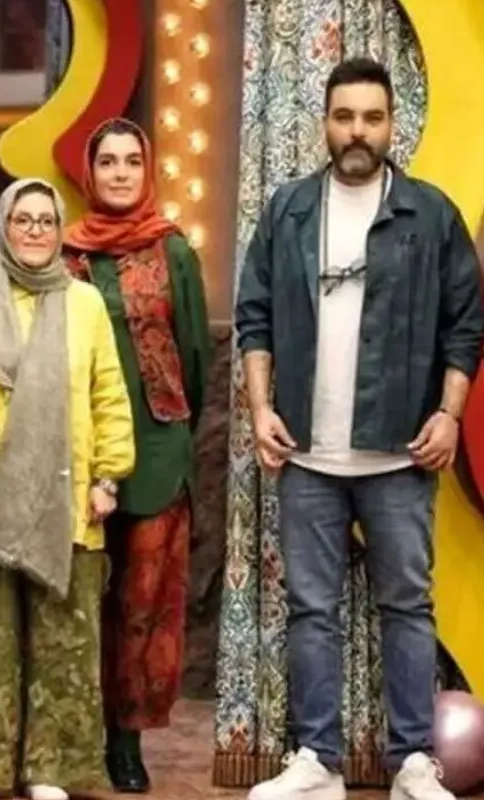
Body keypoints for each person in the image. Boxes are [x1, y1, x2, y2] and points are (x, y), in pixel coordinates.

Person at [237, 58, 483, 800]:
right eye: (344, 116)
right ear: (325, 121)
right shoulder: (288, 211)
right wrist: (260, 410)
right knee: (312, 610)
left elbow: (465, 325)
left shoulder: (430, 215)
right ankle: (317, 761)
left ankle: (413, 763)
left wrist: (448, 415)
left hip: (401, 453)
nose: (357, 132)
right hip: (307, 452)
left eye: (372, 118)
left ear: (390, 124)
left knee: (407, 606)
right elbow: (255, 316)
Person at [0, 178, 135, 800]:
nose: (33, 231)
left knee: (66, 638)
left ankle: (54, 769)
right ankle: (0, 769)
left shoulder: (86, 304)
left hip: (69, 497)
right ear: (3, 226)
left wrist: (108, 477)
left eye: (45, 220)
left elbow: (109, 393)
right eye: (21, 220)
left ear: (59, 230)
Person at [62, 118, 211, 794]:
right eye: (108, 162)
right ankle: (75, 735)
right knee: (79, 597)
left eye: (131, 162)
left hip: (156, 449)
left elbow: (196, 358)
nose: (119, 173)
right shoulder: (64, 252)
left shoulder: (172, 249)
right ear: (89, 173)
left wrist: (174, 430)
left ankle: (125, 741)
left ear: (146, 171)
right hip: (78, 447)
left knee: (142, 601)